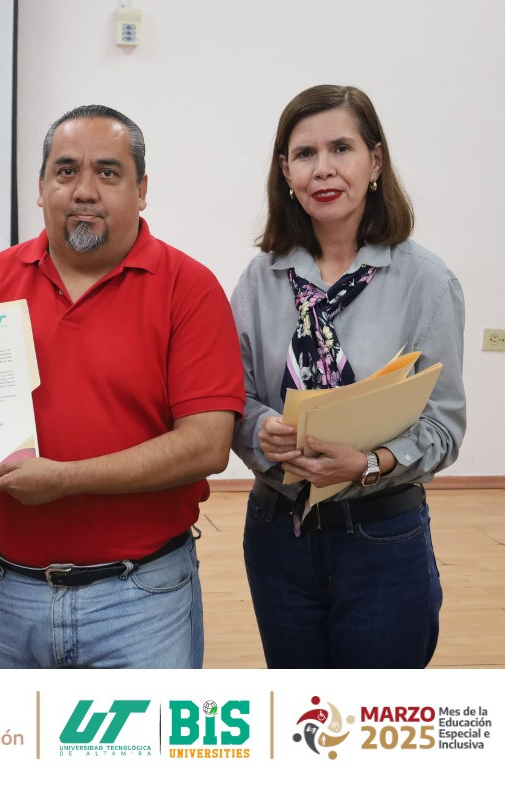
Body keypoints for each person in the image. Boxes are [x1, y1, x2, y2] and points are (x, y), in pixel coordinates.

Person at [0, 105, 245, 668]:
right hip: (8, 593)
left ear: (141, 191)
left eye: (108, 173)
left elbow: (208, 444)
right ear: (41, 187)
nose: (84, 190)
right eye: (66, 171)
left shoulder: (189, 288)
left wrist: (65, 480)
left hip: (140, 600)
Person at [231, 85, 466, 668]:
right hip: (277, 533)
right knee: (301, 710)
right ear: (285, 171)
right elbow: (235, 398)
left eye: (341, 148)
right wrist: (260, 429)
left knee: (370, 714)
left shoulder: (427, 282)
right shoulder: (260, 280)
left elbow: (443, 428)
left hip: (382, 537)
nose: (323, 169)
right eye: (305, 154)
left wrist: (367, 463)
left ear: (375, 162)